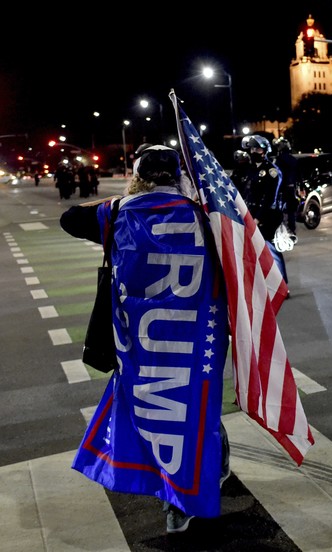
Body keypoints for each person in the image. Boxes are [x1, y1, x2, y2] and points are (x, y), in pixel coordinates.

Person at [59, 145, 231, 533]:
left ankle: (175, 497)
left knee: (156, 412)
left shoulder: (119, 213)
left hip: (141, 343)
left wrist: (126, 197)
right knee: (197, 408)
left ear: (136, 176)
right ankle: (206, 472)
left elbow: (69, 218)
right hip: (198, 337)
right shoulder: (206, 218)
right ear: (178, 177)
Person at [239, 134, 288, 285]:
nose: (254, 151)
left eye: (258, 149)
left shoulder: (272, 171)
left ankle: (282, 285)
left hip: (268, 216)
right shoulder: (250, 169)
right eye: (252, 148)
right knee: (252, 252)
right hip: (251, 214)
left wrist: (258, 218)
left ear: (265, 150)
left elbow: (269, 198)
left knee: (271, 250)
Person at [272, 136, 300, 238]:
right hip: (291, 188)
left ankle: (281, 232)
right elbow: (298, 175)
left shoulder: (278, 160)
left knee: (279, 211)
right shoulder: (293, 160)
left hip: (281, 189)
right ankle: (292, 231)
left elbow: (275, 175)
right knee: (291, 212)